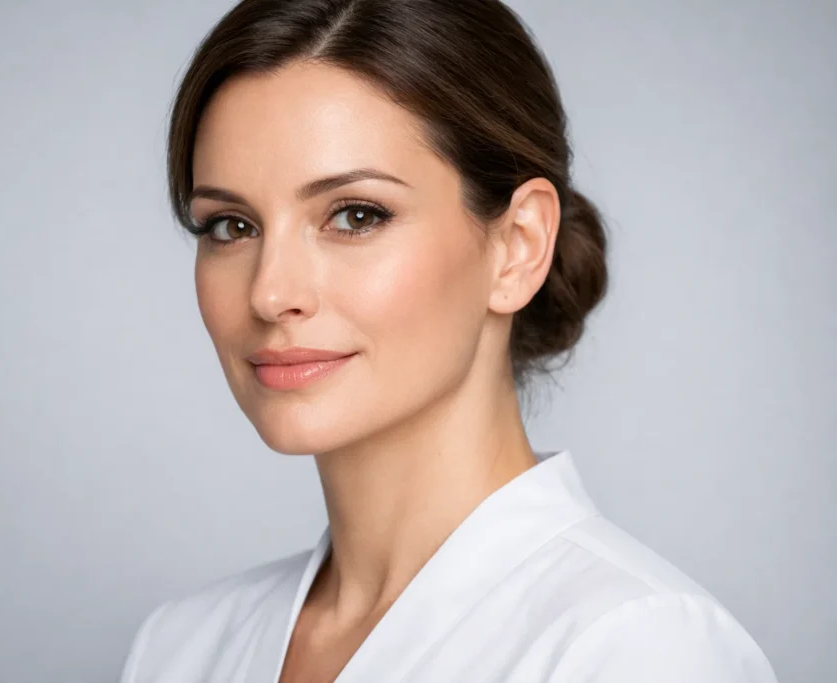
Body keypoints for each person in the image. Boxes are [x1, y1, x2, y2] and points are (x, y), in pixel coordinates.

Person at [120, 0, 778, 681]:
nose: (269, 292)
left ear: (518, 247)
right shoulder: (179, 650)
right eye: (230, 226)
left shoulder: (639, 650)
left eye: (356, 215)